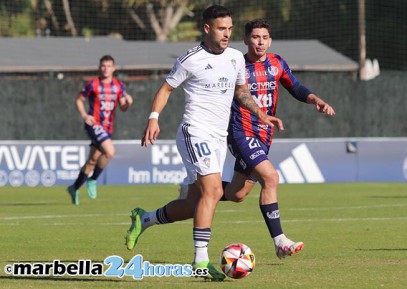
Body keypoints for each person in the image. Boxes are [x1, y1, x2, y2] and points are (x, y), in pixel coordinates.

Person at [130, 6, 282, 282]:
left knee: (195, 203)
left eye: (230, 29)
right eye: (222, 29)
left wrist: (259, 112)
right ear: (207, 29)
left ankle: (145, 219)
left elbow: (240, 91)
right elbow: (166, 89)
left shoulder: (236, 58)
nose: (227, 34)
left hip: (217, 137)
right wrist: (153, 118)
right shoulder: (191, 59)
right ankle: (200, 261)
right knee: (212, 190)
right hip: (194, 131)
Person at [67, 55, 133, 205]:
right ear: (99, 68)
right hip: (94, 124)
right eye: (103, 66)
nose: (106, 68)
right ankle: (93, 179)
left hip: (107, 127)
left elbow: (123, 107)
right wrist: (84, 115)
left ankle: (74, 187)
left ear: (113, 68)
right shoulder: (93, 84)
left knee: (91, 161)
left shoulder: (118, 86)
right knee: (110, 152)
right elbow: (79, 100)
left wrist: (128, 103)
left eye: (109, 66)